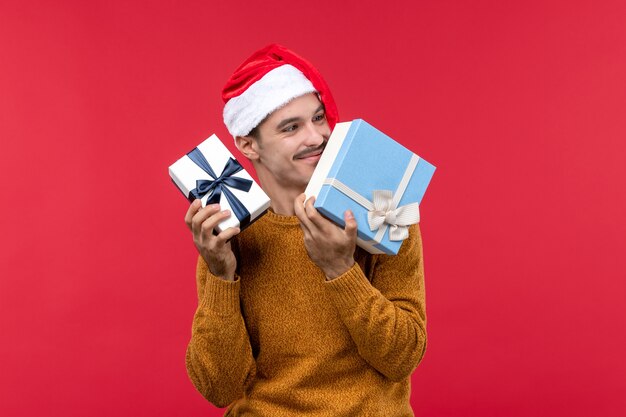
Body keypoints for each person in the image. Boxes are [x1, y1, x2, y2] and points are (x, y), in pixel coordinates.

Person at [183, 44, 427, 416]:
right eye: (291, 128)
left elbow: (402, 357)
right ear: (249, 145)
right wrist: (221, 275)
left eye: (318, 118)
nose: (316, 137)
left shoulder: (383, 209)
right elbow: (220, 387)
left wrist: (341, 269)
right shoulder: (231, 235)